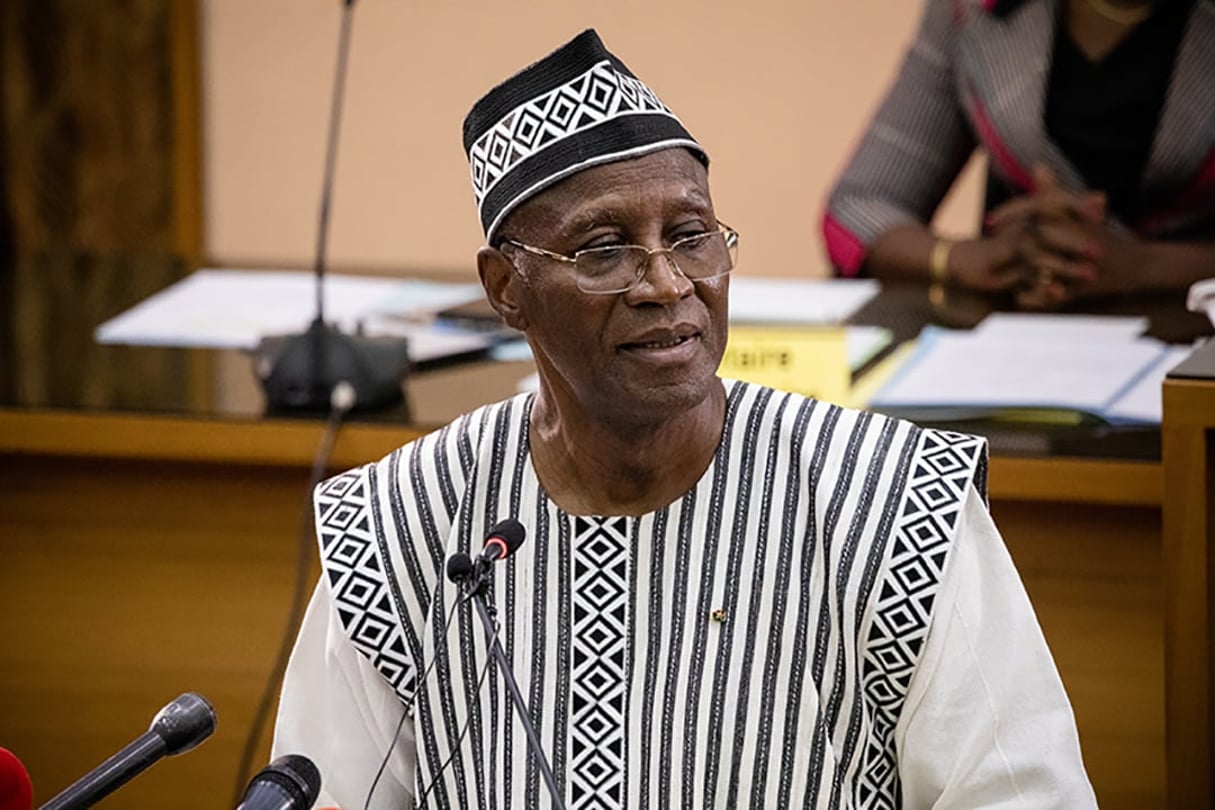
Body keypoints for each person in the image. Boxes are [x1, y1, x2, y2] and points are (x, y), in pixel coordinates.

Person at [272, 28, 1097, 808]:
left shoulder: (891, 508)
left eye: (692, 235)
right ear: (505, 290)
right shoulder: (397, 529)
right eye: (603, 249)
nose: (666, 284)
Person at [823, 0, 1215, 311]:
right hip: (1015, 343)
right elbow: (859, 206)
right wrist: (966, 260)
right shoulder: (972, 9)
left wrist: (1144, 268)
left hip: (1188, 345)